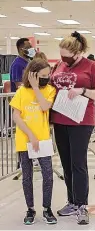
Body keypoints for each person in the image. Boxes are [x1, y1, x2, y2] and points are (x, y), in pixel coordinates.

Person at [50, 32, 95, 225]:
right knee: (65, 163)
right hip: (59, 118)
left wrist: (82, 91)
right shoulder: (59, 65)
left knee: (78, 163)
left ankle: (82, 204)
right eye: (61, 55)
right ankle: (72, 201)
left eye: (67, 56)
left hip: (81, 120)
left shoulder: (92, 67)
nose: (63, 59)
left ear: (78, 52)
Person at [10, 58, 57, 225]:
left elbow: (44, 107)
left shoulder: (50, 90)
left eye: (48, 74)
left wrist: (36, 87)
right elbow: (16, 115)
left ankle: (47, 208)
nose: (47, 77)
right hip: (25, 139)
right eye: (43, 75)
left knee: (48, 175)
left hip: (43, 139)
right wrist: (30, 135)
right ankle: (30, 208)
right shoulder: (21, 92)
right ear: (33, 74)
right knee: (27, 177)